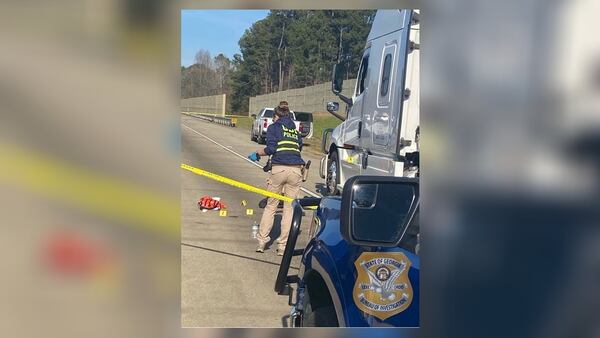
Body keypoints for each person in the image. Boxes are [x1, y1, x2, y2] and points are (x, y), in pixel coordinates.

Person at [248, 104, 304, 255]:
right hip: (296, 170)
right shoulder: (294, 130)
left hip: (279, 169)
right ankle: (283, 247)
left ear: (276, 116)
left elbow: (271, 148)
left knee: (271, 206)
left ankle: (262, 242)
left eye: (273, 117)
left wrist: (257, 153)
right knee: (289, 209)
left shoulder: (274, 127)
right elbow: (297, 148)